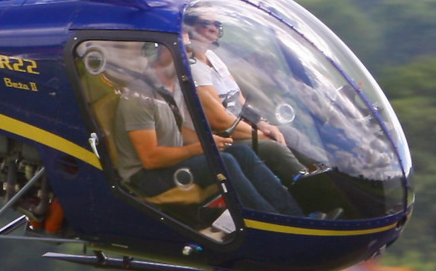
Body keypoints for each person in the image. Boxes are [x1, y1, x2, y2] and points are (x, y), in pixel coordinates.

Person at [113, 42, 302, 216]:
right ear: (157, 52)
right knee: (224, 161)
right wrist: (203, 146)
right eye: (184, 48)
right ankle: (269, 220)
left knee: (242, 152)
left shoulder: (174, 87)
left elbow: (177, 130)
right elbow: (150, 159)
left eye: (189, 50)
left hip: (171, 163)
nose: (189, 54)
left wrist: (210, 140)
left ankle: (292, 214)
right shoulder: (140, 97)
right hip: (145, 178)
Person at [183, 12, 311, 184]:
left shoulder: (213, 58)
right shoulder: (194, 68)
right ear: (190, 28)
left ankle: (323, 173)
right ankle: (307, 187)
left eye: (216, 23)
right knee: (273, 148)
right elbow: (218, 121)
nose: (213, 28)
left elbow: (239, 99)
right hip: (224, 138)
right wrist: (260, 135)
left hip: (241, 128)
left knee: (291, 134)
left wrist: (263, 124)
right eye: (206, 23)